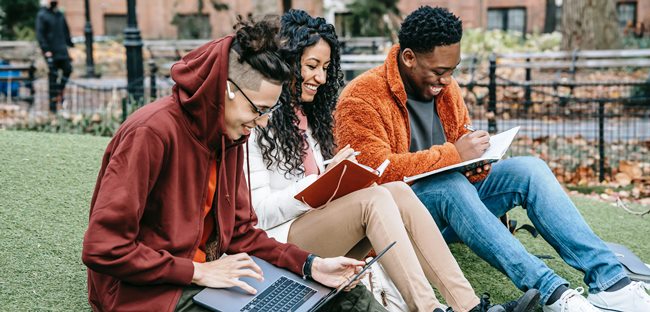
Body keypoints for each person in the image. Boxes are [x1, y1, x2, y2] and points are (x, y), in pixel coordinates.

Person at [334, 6, 650, 312]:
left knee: (530, 169)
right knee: (447, 184)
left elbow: (460, 140)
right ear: (408, 58)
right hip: (400, 223)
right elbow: (372, 176)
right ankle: (555, 293)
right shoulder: (360, 97)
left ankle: (611, 283)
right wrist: (454, 155)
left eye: (452, 71)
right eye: (439, 72)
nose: (446, 80)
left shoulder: (445, 87)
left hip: (455, 206)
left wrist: (475, 160)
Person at [245, 9, 539, 312]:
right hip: (281, 243)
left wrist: (336, 176)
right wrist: (318, 183)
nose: (320, 77)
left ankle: (469, 307)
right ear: (287, 63)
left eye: (326, 67)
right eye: (311, 66)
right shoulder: (252, 122)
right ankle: (429, 310)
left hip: (319, 227)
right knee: (374, 199)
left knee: (396, 190)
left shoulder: (314, 118)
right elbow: (257, 215)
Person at [81, 16, 373, 312]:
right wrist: (197, 272)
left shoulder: (231, 134)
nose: (261, 123)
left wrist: (311, 266)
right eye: (257, 110)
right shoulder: (150, 133)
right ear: (227, 90)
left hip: (214, 276)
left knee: (347, 296)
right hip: (147, 293)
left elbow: (241, 233)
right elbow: (104, 247)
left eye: (269, 111)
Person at [35, 0, 73, 114]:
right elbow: (40, 34)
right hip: (51, 52)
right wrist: (46, 50)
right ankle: (52, 107)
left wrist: (70, 46)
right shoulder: (42, 15)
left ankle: (58, 93)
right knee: (52, 78)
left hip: (62, 51)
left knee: (68, 70)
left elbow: (66, 32)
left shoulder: (60, 14)